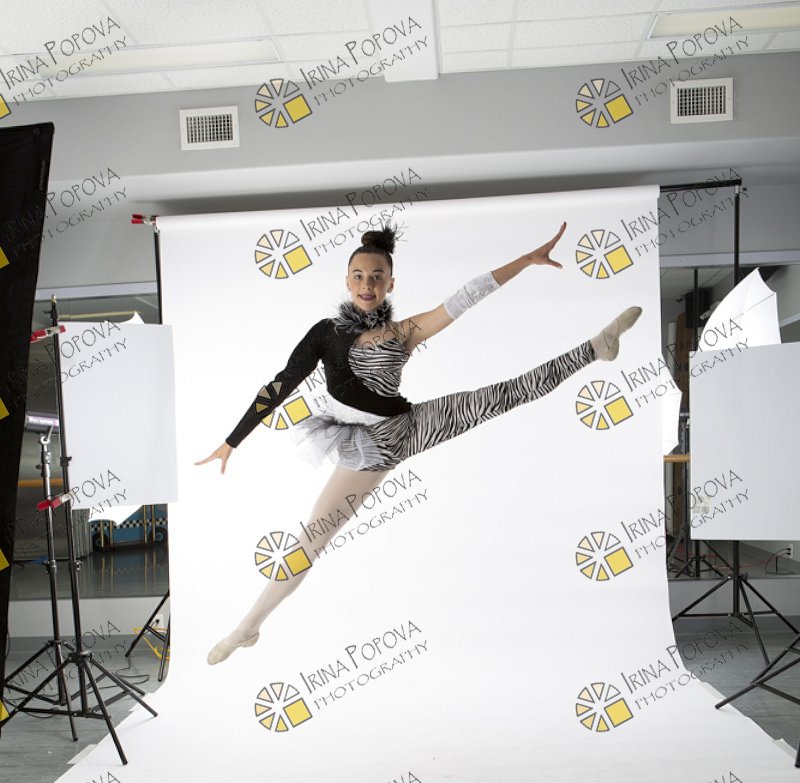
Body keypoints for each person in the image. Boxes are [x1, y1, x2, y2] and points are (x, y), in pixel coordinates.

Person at [197, 222, 641, 664]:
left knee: (504, 396)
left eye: (377, 277)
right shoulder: (325, 333)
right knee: (313, 538)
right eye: (359, 276)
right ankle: (248, 627)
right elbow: (282, 383)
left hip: (409, 426)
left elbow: (465, 297)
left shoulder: (404, 333)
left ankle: (596, 347)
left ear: (390, 284)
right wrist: (233, 440)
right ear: (347, 281)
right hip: (368, 447)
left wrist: (525, 261)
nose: (367, 284)